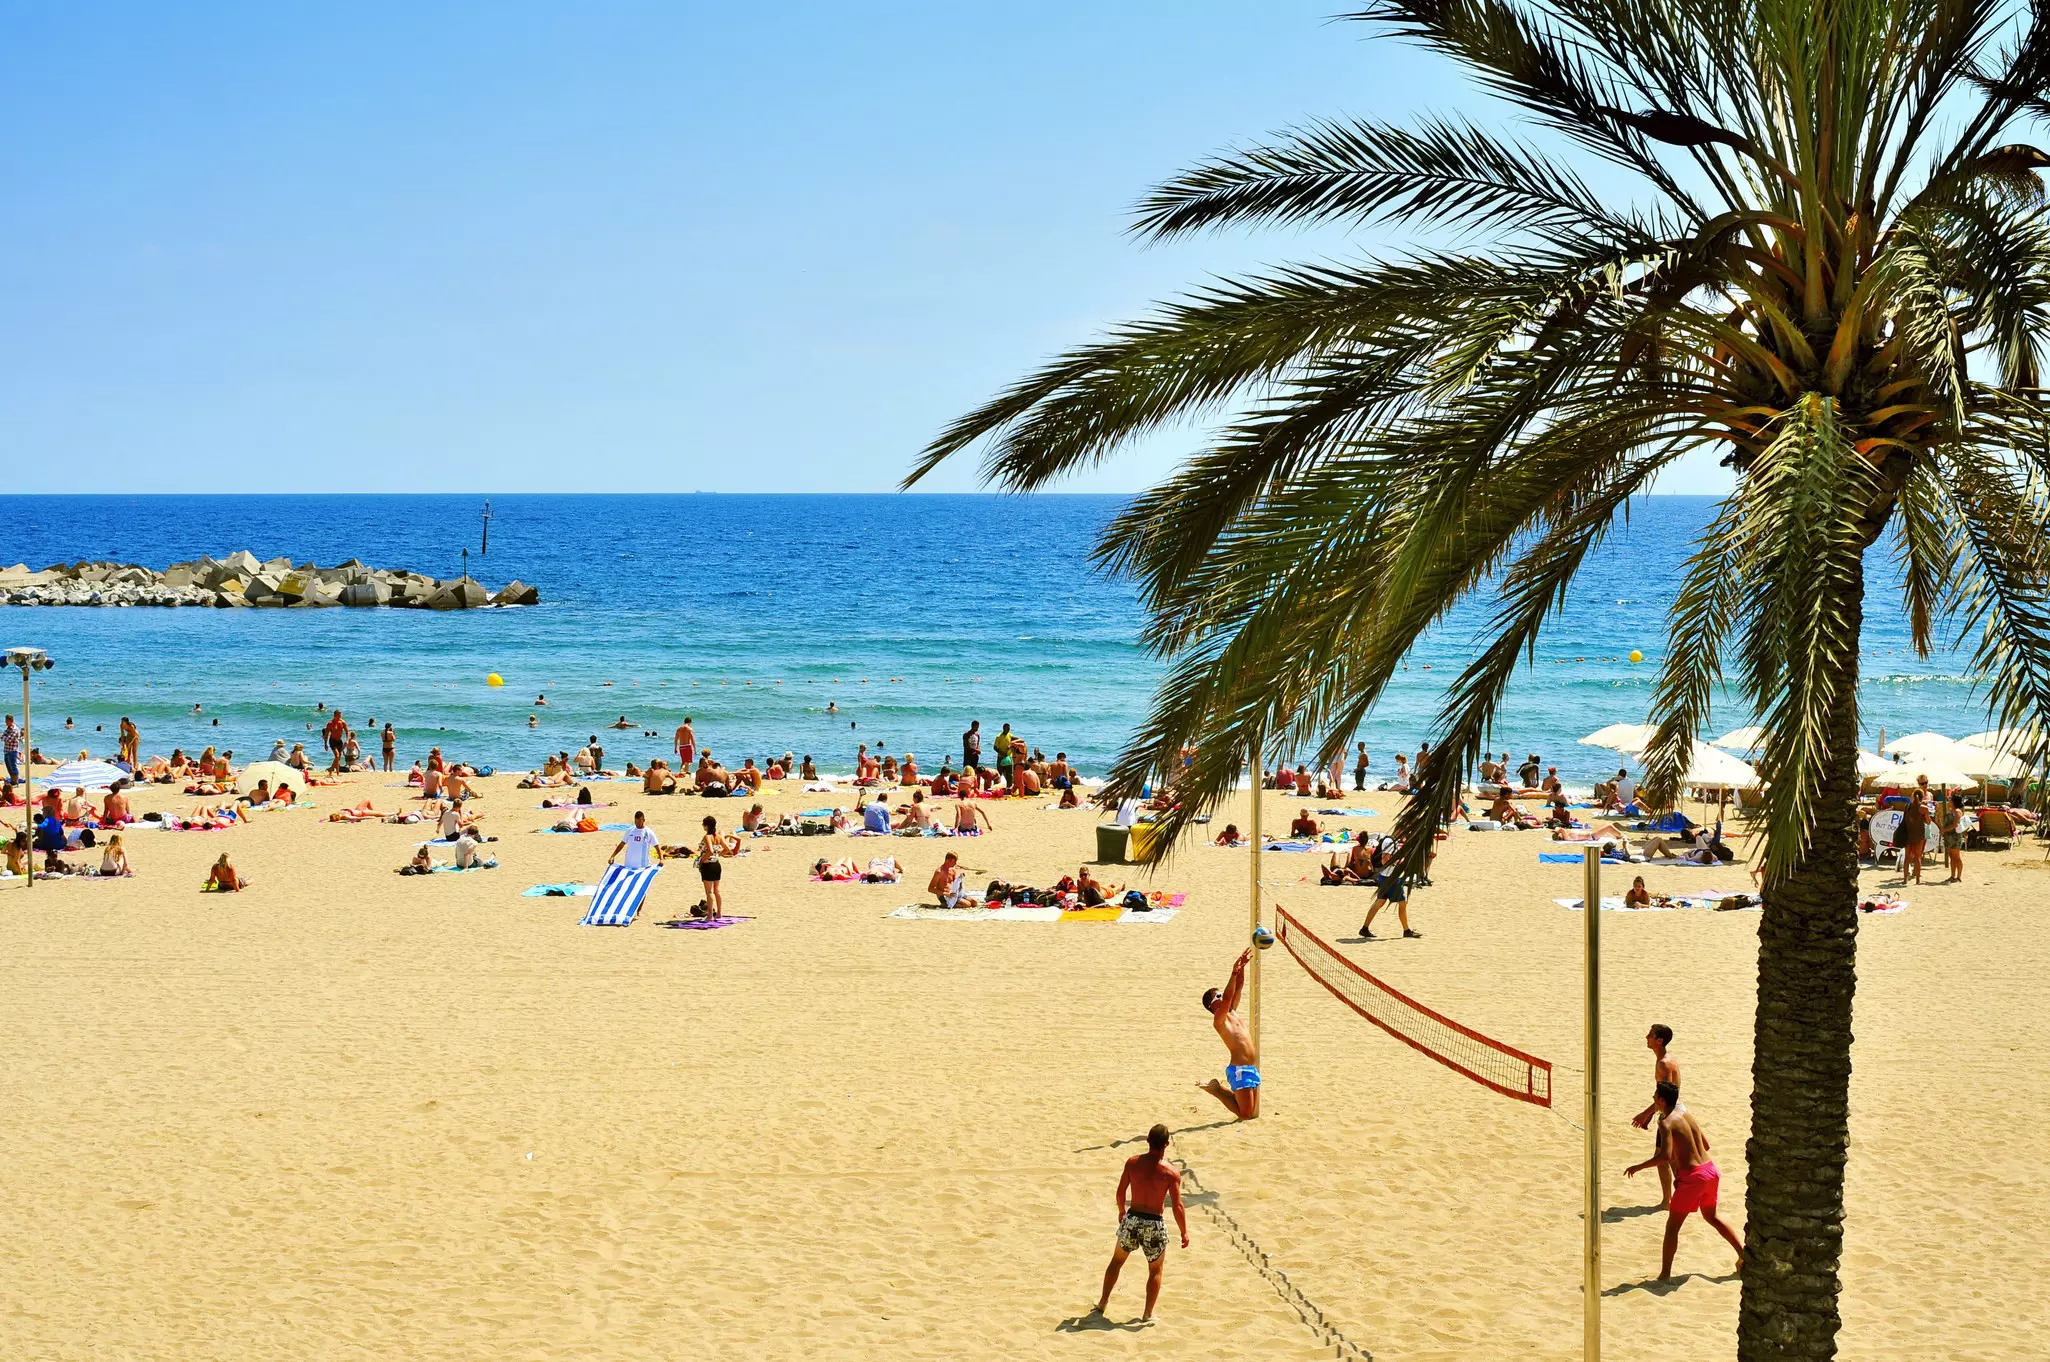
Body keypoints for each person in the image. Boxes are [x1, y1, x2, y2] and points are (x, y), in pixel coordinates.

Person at [1626, 1081, 1744, 1278]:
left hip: (1694, 1178)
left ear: (1662, 1101)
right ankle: (1743, 1254)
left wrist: (1638, 1167)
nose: (1653, 1101)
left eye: (1654, 1098)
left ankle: (1665, 1274)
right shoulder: (1687, 1114)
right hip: (1711, 1171)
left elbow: (1664, 1156)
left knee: (1672, 1227)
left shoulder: (1665, 1123)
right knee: (1712, 1216)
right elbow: (1705, 1144)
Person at [1092, 1123, 1189, 1322]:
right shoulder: (1170, 1173)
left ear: (1147, 1141)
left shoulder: (1133, 1163)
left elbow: (1120, 1192)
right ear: (1167, 1144)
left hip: (1133, 1217)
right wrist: (1184, 1232)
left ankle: (1102, 1303)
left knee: (1116, 1262)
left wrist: (1121, 1211)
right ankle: (1147, 1314)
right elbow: (1178, 1205)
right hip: (1154, 1223)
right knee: (1155, 1270)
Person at [1200, 949, 1260, 1119]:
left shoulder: (1231, 1011)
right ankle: (1217, 1091)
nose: (1223, 995)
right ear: (1213, 1004)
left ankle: (1218, 1088)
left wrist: (1240, 968)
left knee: (1249, 1110)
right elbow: (1226, 998)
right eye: (1218, 994)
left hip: (1249, 1067)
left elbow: (1239, 986)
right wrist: (1232, 973)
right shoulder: (1219, 1019)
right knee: (1245, 1114)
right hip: (1239, 1069)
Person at [1630, 1024, 1683, 1208]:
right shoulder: (1666, 1059)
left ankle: (1669, 1201)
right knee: (1669, 1158)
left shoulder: (1664, 1063)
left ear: (1659, 1041)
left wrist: (1646, 1114)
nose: (1646, 1036)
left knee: (1664, 1158)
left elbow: (1667, 1096)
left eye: (1650, 1035)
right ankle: (1670, 1199)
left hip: (1671, 1113)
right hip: (1670, 1111)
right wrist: (1653, 1114)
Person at [1362, 849, 1420, 939]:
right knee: (1402, 902)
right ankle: (1406, 930)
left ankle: (1364, 928)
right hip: (1391, 879)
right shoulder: (1390, 841)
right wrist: (1398, 862)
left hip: (1385, 877)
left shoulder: (1393, 842)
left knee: (1380, 902)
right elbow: (1384, 860)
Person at [696, 814, 733, 916]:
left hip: (708, 865)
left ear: (707, 826)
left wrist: (702, 860)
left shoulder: (707, 836)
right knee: (717, 891)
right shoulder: (718, 837)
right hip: (716, 864)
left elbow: (710, 851)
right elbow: (727, 849)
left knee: (709, 892)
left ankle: (710, 916)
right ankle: (719, 913)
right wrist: (719, 855)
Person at [1899, 788, 1929, 884]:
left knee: (1907, 858)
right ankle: (1917, 880)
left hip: (1908, 834)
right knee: (1917, 857)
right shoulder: (1924, 808)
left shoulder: (1907, 806)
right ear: (1922, 797)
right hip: (1919, 834)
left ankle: (1905, 879)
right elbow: (1928, 822)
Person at [2, 714, 19, 784]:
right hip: (7, 750)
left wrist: (4, 737)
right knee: (9, 767)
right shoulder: (8, 728)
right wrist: (4, 737)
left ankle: (15, 781)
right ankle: (13, 780)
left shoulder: (15, 729)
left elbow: (8, 739)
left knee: (13, 766)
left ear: (10, 721)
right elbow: (3, 737)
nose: (5, 722)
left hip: (12, 751)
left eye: (6, 721)